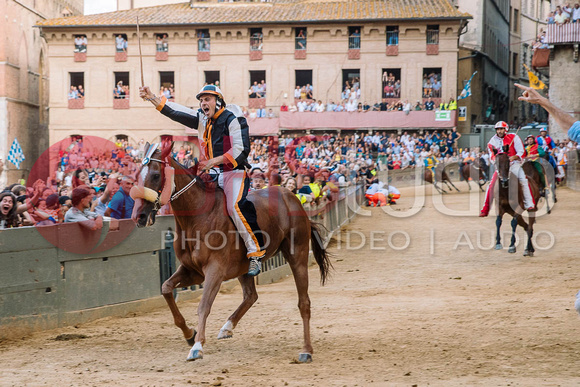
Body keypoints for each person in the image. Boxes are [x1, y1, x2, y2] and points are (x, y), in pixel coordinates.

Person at [139, 83, 266, 276]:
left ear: (218, 101)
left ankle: (255, 252)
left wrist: (214, 161)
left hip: (233, 172)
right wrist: (151, 98)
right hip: (212, 173)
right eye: (201, 100)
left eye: (207, 99)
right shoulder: (202, 119)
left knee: (234, 207)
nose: (203, 103)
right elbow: (176, 111)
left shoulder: (233, 120)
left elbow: (241, 150)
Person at [479, 121, 535, 217]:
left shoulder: (514, 137)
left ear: (506, 129)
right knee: (491, 185)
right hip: (501, 167)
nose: (499, 131)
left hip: (514, 164)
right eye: (498, 129)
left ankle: (529, 203)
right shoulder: (491, 142)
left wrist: (514, 157)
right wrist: (499, 161)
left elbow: (521, 151)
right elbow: (492, 156)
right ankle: (485, 209)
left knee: (523, 180)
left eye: (501, 129)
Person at [515, 83, 580, 143]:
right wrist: (541, 101)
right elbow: (573, 129)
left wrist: (541, 101)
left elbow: (572, 128)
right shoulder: (538, 139)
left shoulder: (548, 139)